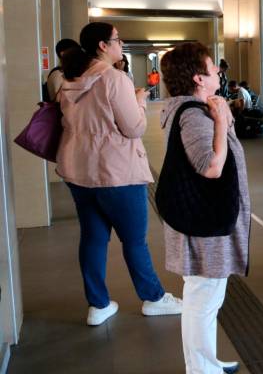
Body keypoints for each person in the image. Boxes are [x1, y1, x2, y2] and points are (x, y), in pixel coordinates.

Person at [57, 22, 182, 326]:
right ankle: (153, 298)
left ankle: (98, 305)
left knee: (93, 238)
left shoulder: (69, 79)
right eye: (116, 39)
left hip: (78, 171)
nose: (120, 43)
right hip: (117, 173)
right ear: (102, 45)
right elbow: (134, 127)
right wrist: (138, 101)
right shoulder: (114, 79)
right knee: (135, 240)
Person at [160, 42, 248, 374]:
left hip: (198, 217)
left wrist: (221, 117)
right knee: (204, 296)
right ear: (198, 78)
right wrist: (222, 123)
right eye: (212, 68)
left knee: (205, 296)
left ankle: (206, 361)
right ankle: (200, 369)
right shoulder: (196, 116)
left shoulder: (191, 108)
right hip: (203, 220)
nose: (217, 73)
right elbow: (211, 166)